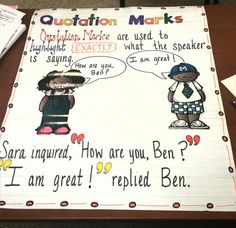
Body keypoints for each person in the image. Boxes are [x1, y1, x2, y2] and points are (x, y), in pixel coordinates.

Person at [36, 69, 85, 135]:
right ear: (48, 84)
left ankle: (61, 127)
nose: (60, 85)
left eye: (64, 83)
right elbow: (45, 99)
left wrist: (70, 103)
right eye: (55, 83)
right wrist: (41, 107)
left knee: (62, 118)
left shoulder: (68, 92)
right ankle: (46, 126)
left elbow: (71, 103)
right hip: (49, 111)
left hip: (62, 111)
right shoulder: (50, 92)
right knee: (48, 118)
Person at [168, 63, 209, 129]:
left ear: (197, 74)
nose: (184, 76)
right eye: (179, 74)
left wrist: (202, 97)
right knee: (180, 113)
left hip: (195, 101)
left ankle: (194, 122)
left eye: (188, 73)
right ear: (172, 76)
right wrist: (170, 98)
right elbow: (171, 91)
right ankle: (182, 122)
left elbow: (199, 90)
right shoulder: (176, 84)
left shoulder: (195, 83)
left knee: (194, 112)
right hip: (179, 102)